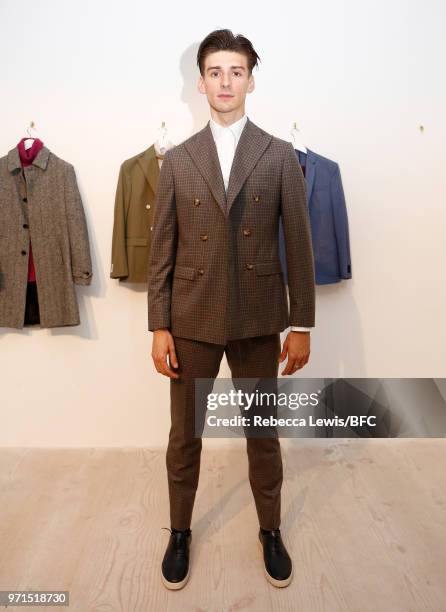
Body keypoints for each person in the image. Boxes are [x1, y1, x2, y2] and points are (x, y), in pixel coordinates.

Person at [147, 28, 315, 590]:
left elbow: (301, 246)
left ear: (250, 80)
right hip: (192, 318)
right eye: (215, 72)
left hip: (259, 316)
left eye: (236, 72)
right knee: (184, 435)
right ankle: (179, 532)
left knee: (261, 432)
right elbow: (161, 249)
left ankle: (269, 530)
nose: (225, 82)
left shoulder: (278, 154)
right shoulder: (178, 159)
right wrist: (158, 326)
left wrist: (302, 323)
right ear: (200, 81)